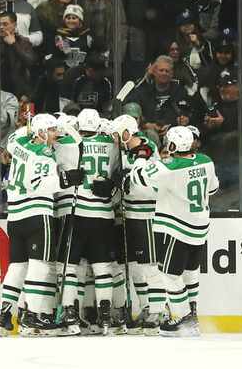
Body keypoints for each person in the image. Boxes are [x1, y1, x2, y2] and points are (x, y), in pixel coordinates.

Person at [0, 113, 85, 336]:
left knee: (17, 267)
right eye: (52, 130)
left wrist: (32, 128)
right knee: (40, 265)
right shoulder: (45, 154)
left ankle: (5, 316)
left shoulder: (16, 144)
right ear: (42, 132)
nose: (55, 135)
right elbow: (37, 183)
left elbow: (18, 136)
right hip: (37, 214)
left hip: (15, 216)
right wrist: (66, 179)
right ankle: (33, 317)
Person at [127, 125, 219, 336]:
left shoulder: (168, 167)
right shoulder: (207, 161)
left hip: (177, 228)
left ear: (173, 144)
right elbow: (213, 188)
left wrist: (141, 155)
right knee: (190, 272)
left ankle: (181, 316)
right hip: (200, 228)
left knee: (169, 274)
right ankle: (192, 312)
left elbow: (137, 177)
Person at [56, 109, 120, 335]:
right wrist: (112, 184)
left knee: (70, 266)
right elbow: (117, 175)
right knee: (102, 266)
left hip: (76, 212)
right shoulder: (112, 145)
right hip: (103, 214)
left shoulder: (65, 143)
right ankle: (105, 316)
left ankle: (70, 312)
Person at [107, 113, 161, 334]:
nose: (115, 139)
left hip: (148, 214)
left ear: (128, 131)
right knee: (136, 267)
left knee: (150, 265)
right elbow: (117, 178)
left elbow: (143, 177)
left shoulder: (146, 148)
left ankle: (157, 310)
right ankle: (145, 306)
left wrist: (124, 179)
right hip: (129, 215)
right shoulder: (120, 151)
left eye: (118, 135)